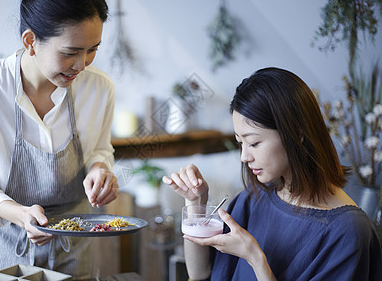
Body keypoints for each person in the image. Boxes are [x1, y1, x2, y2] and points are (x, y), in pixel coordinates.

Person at [0, 0, 118, 278]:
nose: (82, 64)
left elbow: (100, 149)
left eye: (92, 50)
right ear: (30, 41)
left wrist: (99, 169)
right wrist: (22, 216)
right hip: (1, 246)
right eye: (71, 52)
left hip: (73, 243)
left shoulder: (99, 88)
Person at [163, 67, 382, 280]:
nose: (244, 156)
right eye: (240, 143)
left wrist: (256, 259)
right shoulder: (252, 199)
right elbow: (200, 273)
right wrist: (196, 203)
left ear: (297, 134)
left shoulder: (348, 233)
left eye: (254, 143)